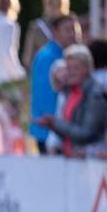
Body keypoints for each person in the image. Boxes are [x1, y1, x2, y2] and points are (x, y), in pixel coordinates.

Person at [35, 44, 107, 154]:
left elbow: (86, 133)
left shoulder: (95, 95)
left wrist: (55, 123)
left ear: (87, 69)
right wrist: (51, 125)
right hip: (71, 156)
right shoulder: (70, 91)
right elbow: (69, 132)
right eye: (68, 68)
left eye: (76, 68)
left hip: (88, 159)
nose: (71, 72)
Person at [30, 14, 81, 154]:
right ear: (55, 32)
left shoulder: (61, 55)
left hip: (56, 130)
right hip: (50, 132)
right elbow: (47, 97)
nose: (73, 34)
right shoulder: (48, 57)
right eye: (68, 30)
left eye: (75, 29)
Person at [21, 0, 70, 69]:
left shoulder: (70, 25)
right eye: (52, 3)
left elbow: (27, 59)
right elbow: (27, 59)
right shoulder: (37, 27)